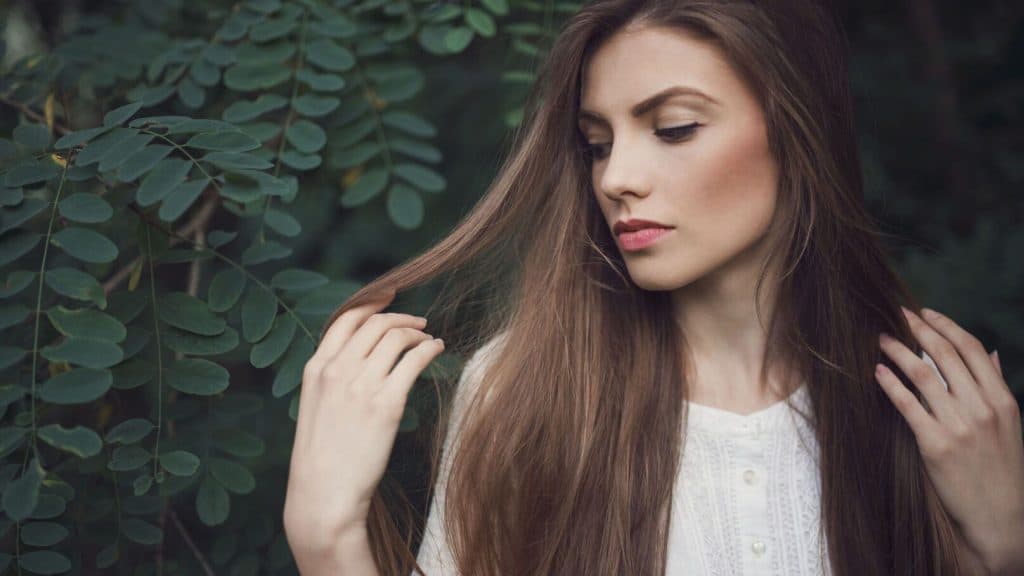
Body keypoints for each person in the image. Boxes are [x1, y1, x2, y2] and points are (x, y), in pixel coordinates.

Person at [282, 1, 1024, 575]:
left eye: (672, 128)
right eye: (597, 143)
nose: (615, 177)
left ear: (798, 133)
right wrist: (328, 539)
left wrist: (1003, 551)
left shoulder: (925, 405)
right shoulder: (527, 391)